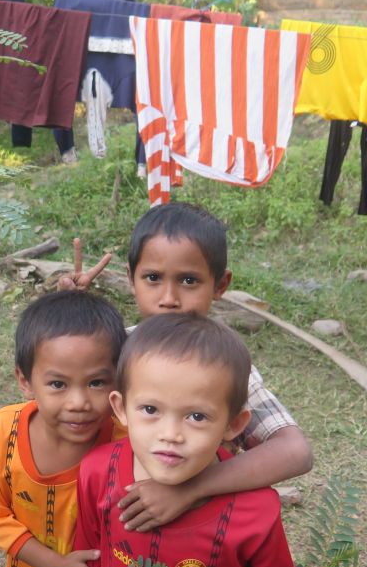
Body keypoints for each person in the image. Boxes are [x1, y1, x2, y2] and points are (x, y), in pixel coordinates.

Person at [59, 202, 313, 531]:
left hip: (202, 529)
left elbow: (295, 451)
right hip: (109, 513)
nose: (169, 298)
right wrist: (70, 311)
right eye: (152, 278)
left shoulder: (222, 368)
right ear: (131, 278)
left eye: (189, 280)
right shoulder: (115, 348)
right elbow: (53, 380)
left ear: (220, 285)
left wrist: (189, 488)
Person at [74, 313, 296, 567]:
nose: (170, 434)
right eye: (150, 409)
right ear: (121, 408)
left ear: (233, 425)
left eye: (197, 416)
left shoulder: (257, 513)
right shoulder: (97, 473)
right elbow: (89, 561)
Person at [0, 290, 126, 567]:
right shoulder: (3, 432)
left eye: (96, 383)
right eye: (58, 384)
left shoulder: (128, 444)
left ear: (118, 380)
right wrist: (54, 565)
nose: (78, 403)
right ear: (25, 381)